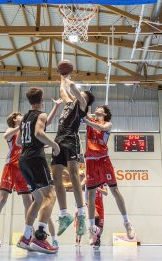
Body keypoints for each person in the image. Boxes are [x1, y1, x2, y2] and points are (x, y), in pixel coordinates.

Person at [0, 100, 61, 250]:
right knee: (2, 199)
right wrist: (22, 125)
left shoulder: (27, 131)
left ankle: (29, 236)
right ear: (15, 119)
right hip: (11, 166)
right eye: (20, 115)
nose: (22, 116)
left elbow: (46, 122)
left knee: (30, 201)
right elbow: (5, 136)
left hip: (23, 167)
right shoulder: (12, 130)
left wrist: (56, 106)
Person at [16, 87, 60, 254]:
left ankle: (26, 237)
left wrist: (55, 107)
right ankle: (40, 238)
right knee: (51, 195)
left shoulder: (25, 118)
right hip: (35, 158)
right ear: (42, 99)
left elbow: (20, 141)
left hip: (23, 160)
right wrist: (55, 146)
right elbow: (40, 132)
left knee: (38, 200)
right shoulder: (40, 115)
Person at [83, 105, 135, 245]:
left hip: (104, 160)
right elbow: (81, 107)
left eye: (100, 107)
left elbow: (101, 128)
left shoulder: (107, 124)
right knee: (91, 195)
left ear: (104, 113)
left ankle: (127, 223)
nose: (97, 108)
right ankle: (91, 229)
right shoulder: (90, 118)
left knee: (115, 191)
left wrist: (85, 121)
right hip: (91, 161)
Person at [51, 72, 95, 237]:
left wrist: (67, 79)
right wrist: (62, 77)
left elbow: (73, 89)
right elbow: (64, 90)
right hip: (58, 140)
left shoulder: (82, 105)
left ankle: (81, 215)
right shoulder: (68, 104)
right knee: (56, 179)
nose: (79, 95)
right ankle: (64, 215)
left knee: (74, 176)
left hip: (71, 140)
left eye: (82, 95)